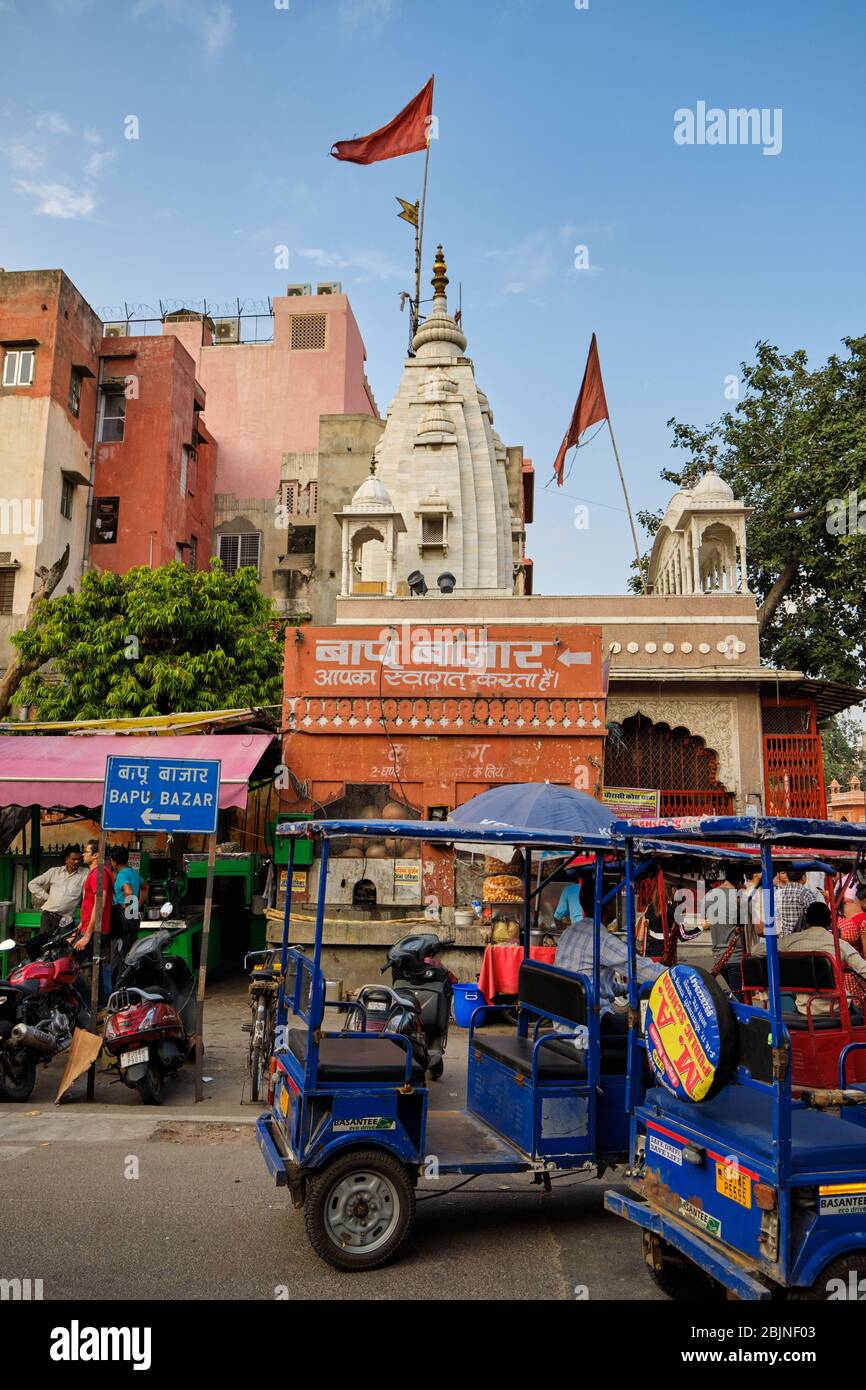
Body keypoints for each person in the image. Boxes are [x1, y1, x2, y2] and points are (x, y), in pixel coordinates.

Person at [555, 896, 665, 1036]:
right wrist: (673, 975)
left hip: (564, 1022)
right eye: (613, 901)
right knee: (652, 1026)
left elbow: (596, 984)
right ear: (607, 906)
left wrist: (627, 989)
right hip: (592, 1025)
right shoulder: (602, 939)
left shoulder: (569, 932)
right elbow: (639, 967)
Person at [754, 900, 866, 1017]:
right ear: (829, 920)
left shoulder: (791, 941)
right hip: (837, 1008)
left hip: (805, 1008)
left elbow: (755, 950)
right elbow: (863, 968)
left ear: (807, 920)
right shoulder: (839, 944)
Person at [26, 844, 87, 959]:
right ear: (67, 859)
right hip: (48, 916)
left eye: (79, 859)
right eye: (74, 859)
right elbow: (32, 884)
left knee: (62, 950)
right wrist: (47, 897)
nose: (77, 862)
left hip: (67, 919)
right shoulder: (54, 872)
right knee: (44, 947)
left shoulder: (85, 873)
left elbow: (86, 895)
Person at [73, 840, 115, 1000]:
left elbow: (99, 905)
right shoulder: (98, 872)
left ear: (96, 855)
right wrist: (79, 928)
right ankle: (99, 1004)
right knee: (94, 966)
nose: (83, 854)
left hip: (95, 930)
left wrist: (87, 935)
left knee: (69, 966)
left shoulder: (100, 874)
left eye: (86, 851)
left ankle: (88, 1003)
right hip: (89, 928)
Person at [702, 864, 749, 996]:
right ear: (740, 880)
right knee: (740, 999)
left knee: (733, 997)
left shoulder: (709, 895)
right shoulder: (739, 899)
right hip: (735, 956)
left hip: (718, 957)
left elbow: (707, 921)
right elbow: (744, 924)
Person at [109, 846, 147, 985]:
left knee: (118, 957)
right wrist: (137, 906)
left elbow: (129, 891)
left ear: (114, 861)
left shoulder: (122, 875)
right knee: (129, 954)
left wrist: (125, 908)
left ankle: (119, 991)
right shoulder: (133, 873)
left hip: (122, 920)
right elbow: (145, 887)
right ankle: (128, 988)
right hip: (133, 918)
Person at [774, 867, 817, 938]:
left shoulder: (777, 894)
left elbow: (775, 919)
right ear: (803, 877)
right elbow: (814, 920)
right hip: (802, 939)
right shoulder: (807, 894)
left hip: (783, 940)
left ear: (787, 876)